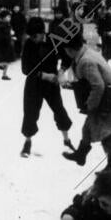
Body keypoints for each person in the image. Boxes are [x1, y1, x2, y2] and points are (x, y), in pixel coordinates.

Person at [60, 29, 111, 170]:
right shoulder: (87, 53)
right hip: (108, 97)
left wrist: (90, 105)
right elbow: (90, 83)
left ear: (70, 50)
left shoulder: (86, 61)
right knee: (95, 128)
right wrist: (75, 86)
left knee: (109, 132)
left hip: (107, 101)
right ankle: (82, 154)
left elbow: (98, 86)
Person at [19, 17, 73, 158]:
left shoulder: (53, 41)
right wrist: (44, 75)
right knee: (30, 113)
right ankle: (27, 141)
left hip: (52, 85)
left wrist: (61, 71)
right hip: (34, 84)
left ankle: (66, 139)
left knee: (59, 110)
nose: (33, 39)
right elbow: (25, 69)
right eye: (31, 36)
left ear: (43, 32)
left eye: (35, 36)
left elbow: (67, 57)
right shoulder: (29, 44)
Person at [0, 8, 15, 80]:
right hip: (5, 46)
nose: (9, 18)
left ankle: (2, 73)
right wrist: (11, 35)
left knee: (4, 61)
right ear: (3, 18)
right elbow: (6, 36)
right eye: (8, 17)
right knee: (6, 61)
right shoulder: (6, 26)